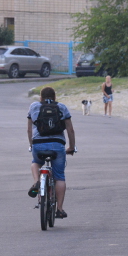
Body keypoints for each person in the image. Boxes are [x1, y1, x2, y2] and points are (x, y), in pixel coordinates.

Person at [27, 87, 76, 218]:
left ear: (40, 98)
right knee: (59, 176)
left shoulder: (34, 106)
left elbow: (29, 130)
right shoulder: (62, 107)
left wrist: (32, 145)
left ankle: (37, 181)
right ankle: (59, 209)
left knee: (36, 163)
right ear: (55, 97)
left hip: (38, 144)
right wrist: (71, 147)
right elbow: (70, 130)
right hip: (57, 144)